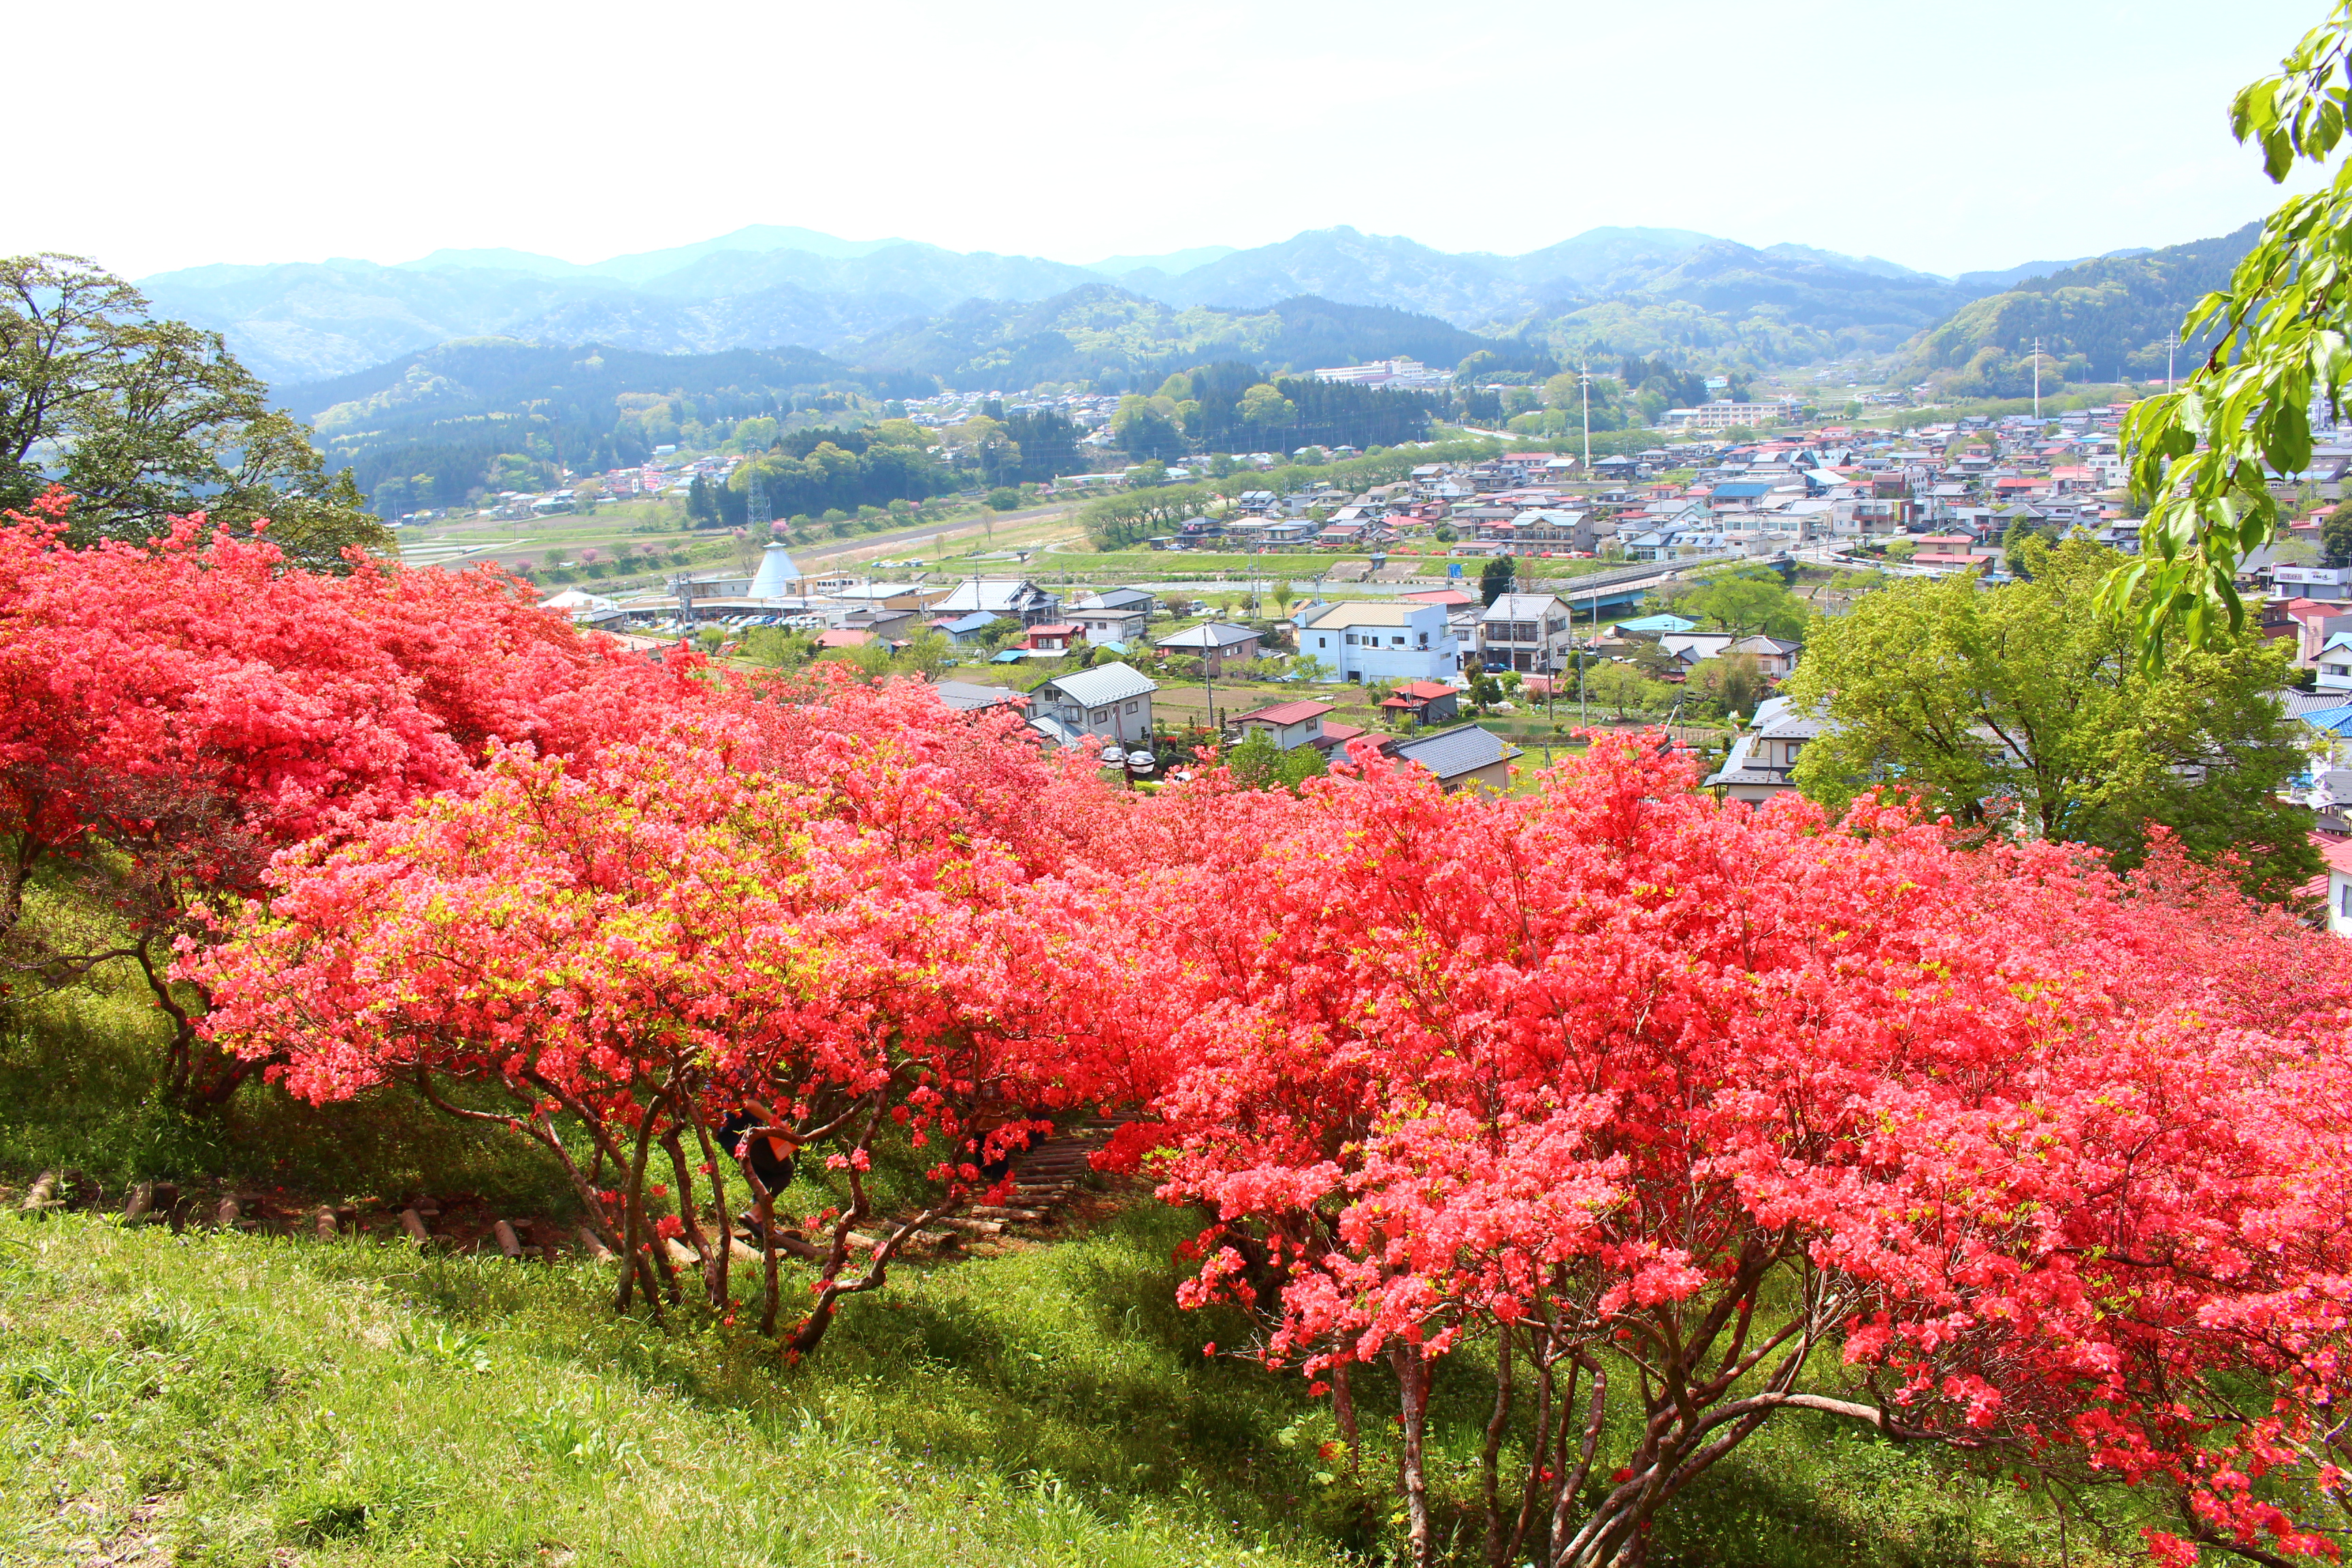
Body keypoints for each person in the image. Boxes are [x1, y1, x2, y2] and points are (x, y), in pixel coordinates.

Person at [719, 1100, 798, 1241]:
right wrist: (777, 1123)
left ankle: (762, 1224)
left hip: (729, 1140)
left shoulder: (711, 1084)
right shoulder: (738, 1079)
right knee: (784, 1170)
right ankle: (754, 1215)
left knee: (764, 1176)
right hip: (748, 1135)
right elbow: (749, 1104)